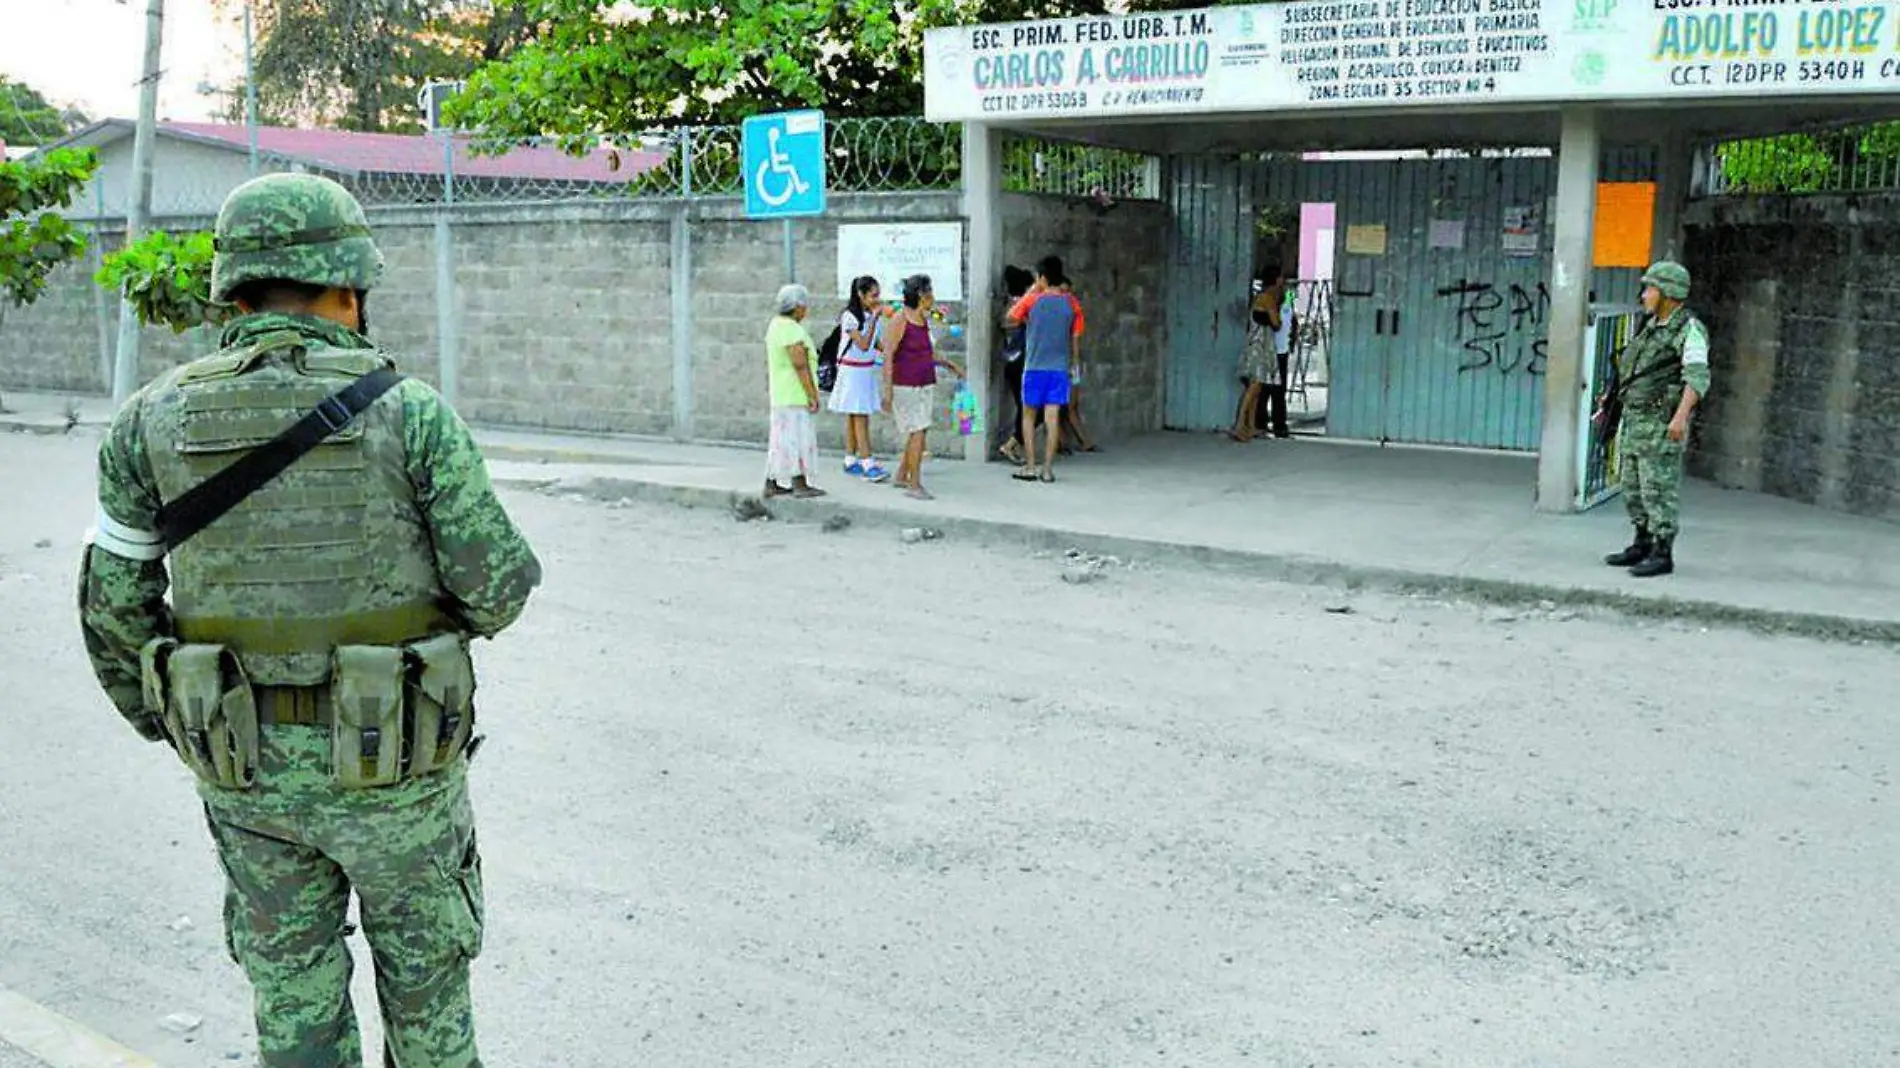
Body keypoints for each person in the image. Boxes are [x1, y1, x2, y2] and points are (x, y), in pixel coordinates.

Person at [76, 172, 542, 1068]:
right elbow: (499, 587)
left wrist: (179, 724)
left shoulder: (148, 422)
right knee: (430, 999)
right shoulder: (409, 413)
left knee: (293, 1008)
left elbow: (112, 608)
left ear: (234, 288)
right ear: (343, 285)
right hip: (397, 775)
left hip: (246, 775)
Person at [1599, 259, 1711, 578]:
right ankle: (1642, 542)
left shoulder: (1688, 330)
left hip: (1661, 423)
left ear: (1667, 293)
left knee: (1657, 489)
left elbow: (1697, 377)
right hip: (1636, 421)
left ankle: (1663, 552)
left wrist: (1679, 418)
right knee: (1633, 487)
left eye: (1650, 289)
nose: (1644, 295)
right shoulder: (1651, 326)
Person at [880, 274, 964, 501]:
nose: (933, 298)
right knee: (917, 432)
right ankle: (914, 484)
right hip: (906, 385)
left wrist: (949, 364)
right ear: (921, 295)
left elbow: (927, 351)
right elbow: (888, 355)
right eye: (930, 293)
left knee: (919, 431)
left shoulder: (922, 319)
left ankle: (902, 475)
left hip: (924, 381)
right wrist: (887, 391)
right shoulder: (900, 320)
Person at [1005, 255, 1086, 483]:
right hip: (1059, 369)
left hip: (1034, 367)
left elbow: (1011, 317)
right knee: (1052, 418)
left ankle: (1031, 466)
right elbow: (1076, 336)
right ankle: (1048, 469)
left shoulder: (1033, 300)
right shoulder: (1071, 303)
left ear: (1041, 277)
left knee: (1028, 417)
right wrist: (1074, 364)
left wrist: (1032, 289)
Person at [764, 283, 827, 499]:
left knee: (780, 440)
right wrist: (812, 394)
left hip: (781, 394)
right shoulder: (792, 329)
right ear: (798, 306)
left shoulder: (775, 325)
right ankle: (799, 483)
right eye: (804, 305)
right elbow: (800, 364)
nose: (806, 310)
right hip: (794, 394)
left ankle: (772, 481)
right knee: (798, 440)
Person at [829, 275, 892, 483]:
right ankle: (868, 462)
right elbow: (863, 344)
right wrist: (874, 319)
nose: (877, 299)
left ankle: (850, 458)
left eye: (878, 295)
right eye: (873, 295)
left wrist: (894, 354)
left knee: (854, 416)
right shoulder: (849, 317)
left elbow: (876, 344)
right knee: (860, 417)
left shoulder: (869, 316)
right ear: (861, 295)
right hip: (852, 372)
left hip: (865, 371)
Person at [1233, 267, 1292, 442]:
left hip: (1259, 344)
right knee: (1254, 387)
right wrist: (1279, 305)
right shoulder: (1268, 299)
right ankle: (1240, 424)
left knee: (1257, 388)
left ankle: (1251, 425)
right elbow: (1277, 323)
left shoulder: (1261, 298)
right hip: (1260, 346)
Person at [995, 264, 1035, 464]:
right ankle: (1011, 444)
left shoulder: (1016, 303)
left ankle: (1014, 444)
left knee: (1027, 406)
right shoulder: (1019, 305)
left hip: (1016, 360)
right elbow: (1006, 322)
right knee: (1029, 407)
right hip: (1019, 360)